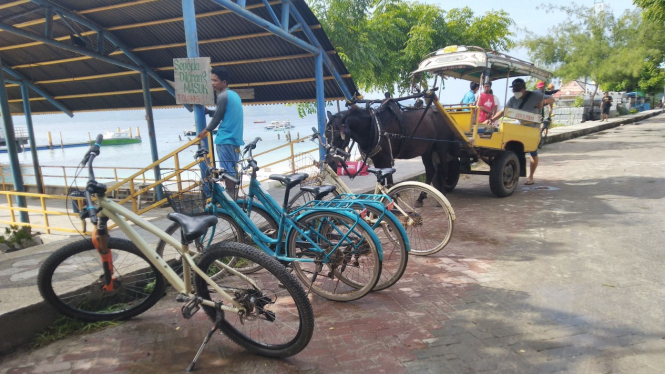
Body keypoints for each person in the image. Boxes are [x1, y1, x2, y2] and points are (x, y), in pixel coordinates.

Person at [485, 78, 555, 185]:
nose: (516, 91)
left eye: (518, 89)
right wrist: (492, 119)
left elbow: (552, 99)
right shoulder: (513, 100)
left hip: (532, 128)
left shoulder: (535, 95)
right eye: (514, 89)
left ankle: (531, 176)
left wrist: (543, 102)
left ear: (523, 89)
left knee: (533, 153)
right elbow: (504, 111)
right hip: (519, 127)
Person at [198, 66, 244, 195]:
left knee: (226, 171)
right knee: (233, 169)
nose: (212, 83)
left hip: (224, 138)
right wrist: (210, 112)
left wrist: (206, 130)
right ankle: (234, 196)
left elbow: (218, 117)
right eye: (211, 80)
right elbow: (224, 113)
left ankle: (230, 198)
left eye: (215, 81)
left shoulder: (222, 96)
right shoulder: (234, 95)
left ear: (223, 83)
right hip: (235, 139)